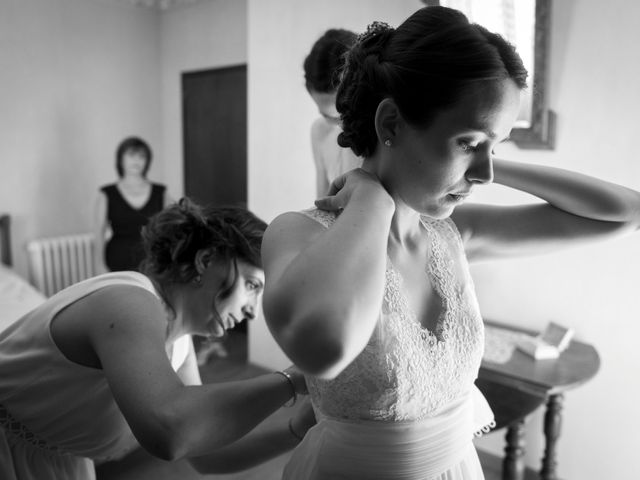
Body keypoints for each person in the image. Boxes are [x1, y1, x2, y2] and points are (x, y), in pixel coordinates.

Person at [261, 6, 640, 480]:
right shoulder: (296, 232)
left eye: (495, 145)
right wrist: (372, 203)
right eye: (468, 142)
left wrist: (484, 156)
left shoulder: (451, 234)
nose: (484, 174)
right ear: (392, 124)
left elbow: (629, 213)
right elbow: (326, 348)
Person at [0, 199, 315, 480]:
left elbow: (202, 454)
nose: (252, 312)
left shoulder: (179, 344)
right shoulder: (126, 302)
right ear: (205, 260)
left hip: (56, 461)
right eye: (251, 285)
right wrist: (293, 379)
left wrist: (295, 432)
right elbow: (170, 430)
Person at [94, 136, 171, 273]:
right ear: (120, 159)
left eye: (141, 156)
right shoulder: (106, 194)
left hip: (152, 262)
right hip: (116, 262)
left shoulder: (161, 193)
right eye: (131, 155)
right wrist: (99, 265)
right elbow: (99, 234)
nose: (136, 161)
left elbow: (172, 230)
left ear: (147, 161)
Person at [304, 28, 362, 197]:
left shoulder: (385, 132)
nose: (342, 126)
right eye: (329, 116)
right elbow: (322, 200)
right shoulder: (319, 131)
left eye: (346, 114)